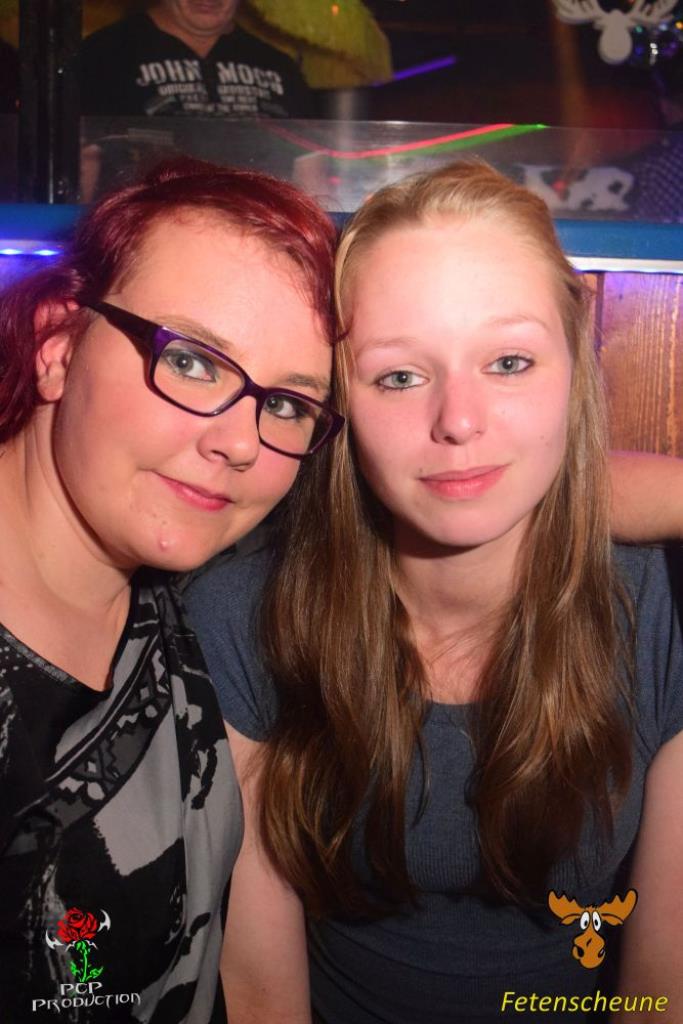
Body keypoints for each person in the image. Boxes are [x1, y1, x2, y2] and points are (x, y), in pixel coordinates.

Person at [185, 161, 683, 1023]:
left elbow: (661, 985)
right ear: (339, 396)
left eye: (509, 361)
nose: (458, 421)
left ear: (575, 361)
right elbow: (261, 989)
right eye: (399, 377)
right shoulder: (246, 611)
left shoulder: (660, 607)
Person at [0, 156, 341, 1022]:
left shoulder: (191, 598)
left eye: (287, 404)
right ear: (58, 346)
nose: (241, 443)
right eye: (192, 361)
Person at [79, 0, 313, 119]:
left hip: (256, 200)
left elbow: (309, 166)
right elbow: (85, 159)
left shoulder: (279, 67)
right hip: (149, 199)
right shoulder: (103, 55)